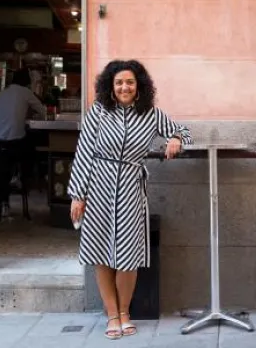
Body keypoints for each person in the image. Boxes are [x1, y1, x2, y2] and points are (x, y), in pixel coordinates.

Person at [68, 59, 192, 340]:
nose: (124, 87)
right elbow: (84, 152)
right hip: (98, 186)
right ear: (111, 86)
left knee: (127, 255)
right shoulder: (99, 112)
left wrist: (175, 138)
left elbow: (184, 131)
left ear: (139, 86)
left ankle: (125, 312)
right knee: (100, 252)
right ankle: (112, 315)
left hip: (131, 189)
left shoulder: (151, 114)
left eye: (130, 82)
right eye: (119, 82)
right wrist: (78, 195)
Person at [0, 68, 46, 221]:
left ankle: (4, 204)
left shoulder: (0, 94)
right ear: (26, 82)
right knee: (32, 148)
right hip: (16, 146)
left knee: (3, 170)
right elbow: (43, 111)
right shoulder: (25, 92)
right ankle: (20, 176)